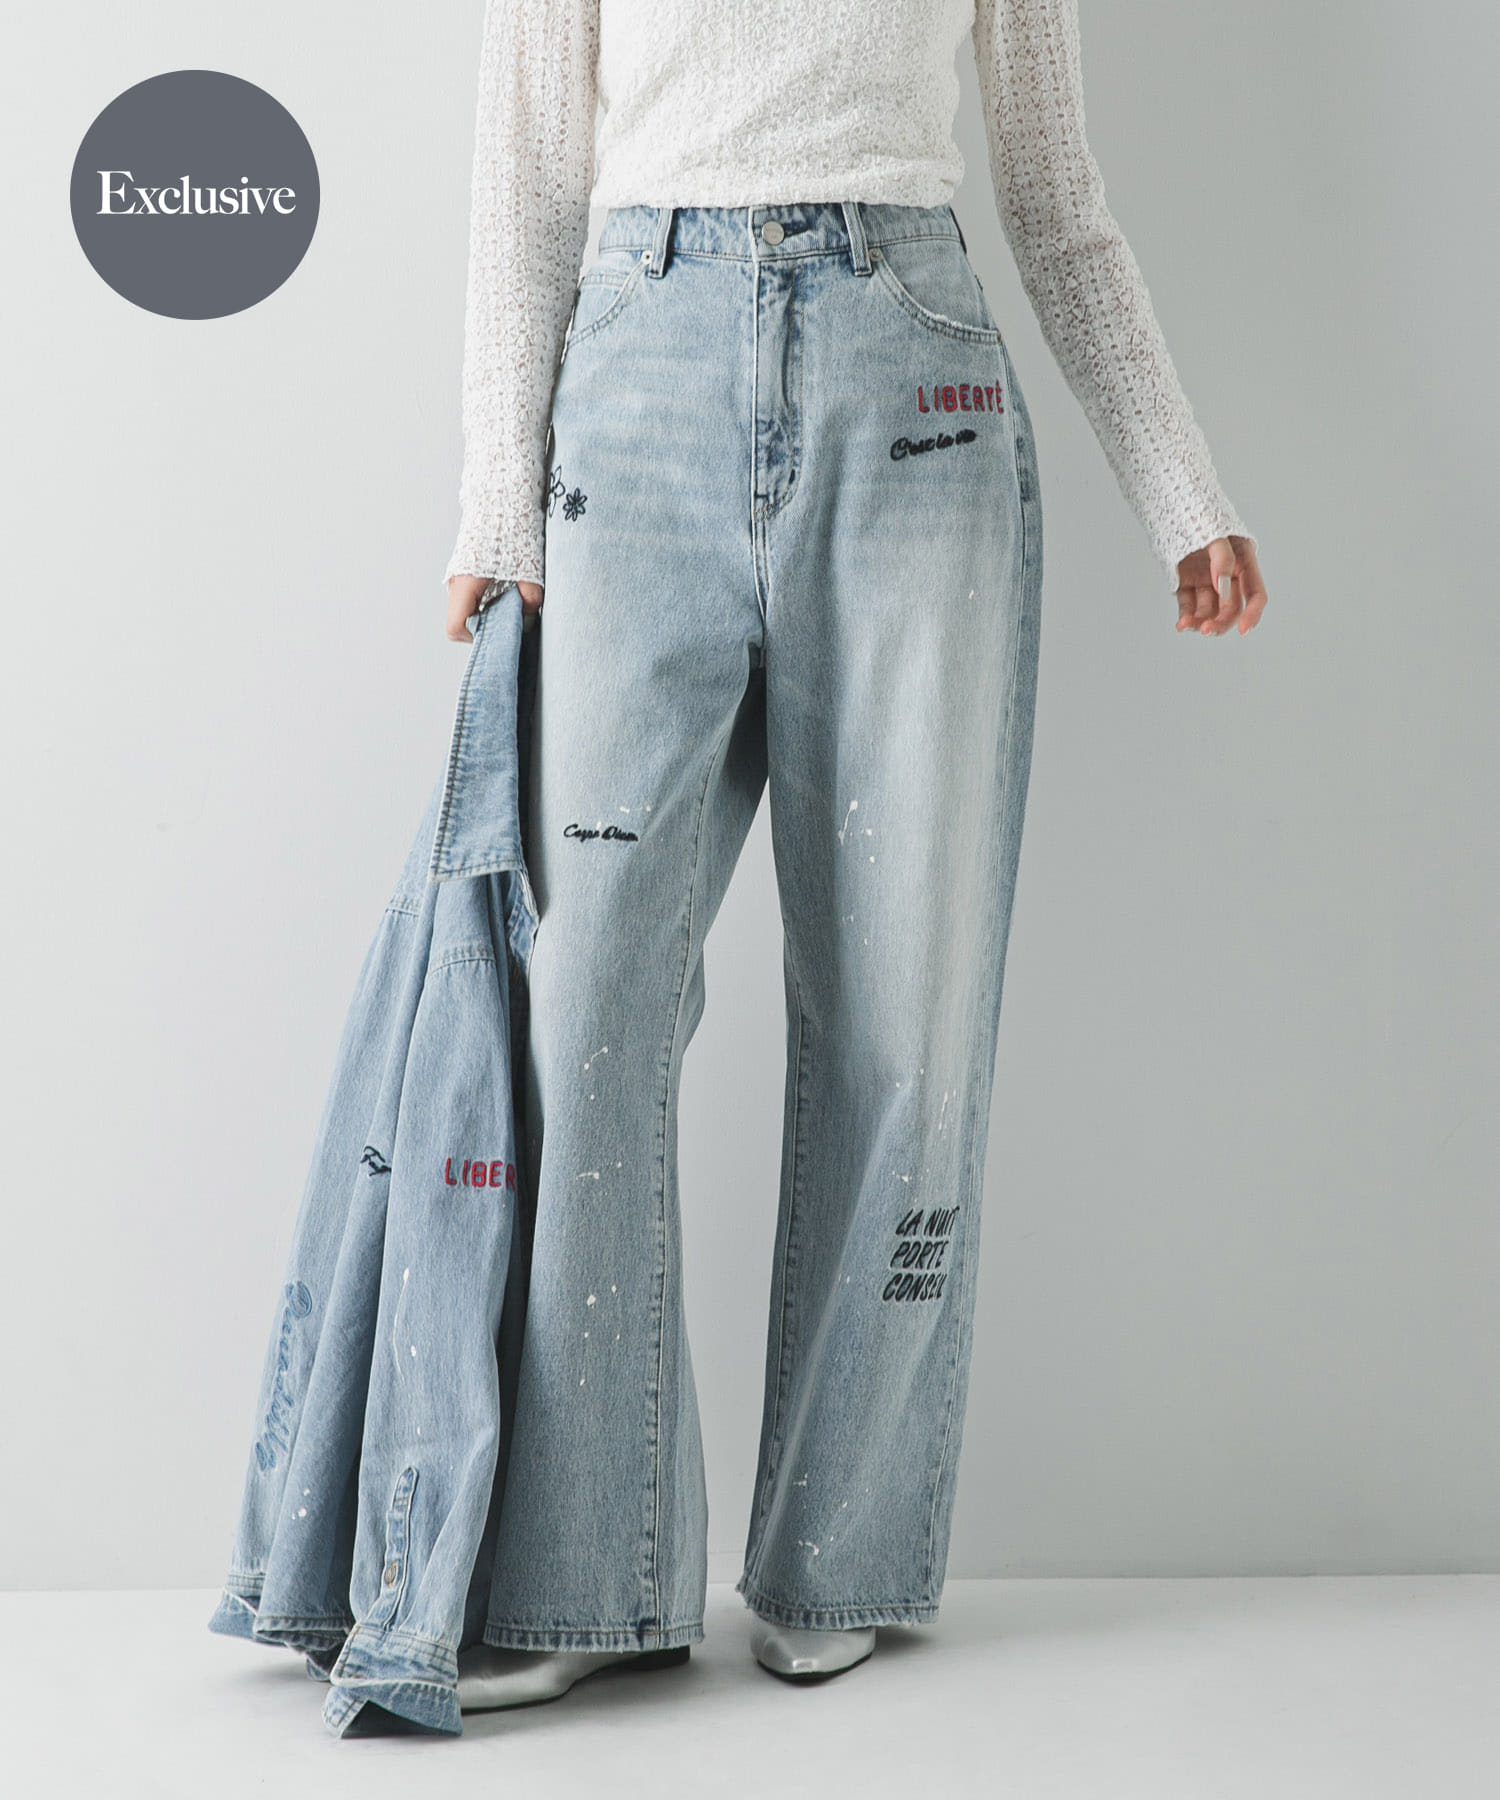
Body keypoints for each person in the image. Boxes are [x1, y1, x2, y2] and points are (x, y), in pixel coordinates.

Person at [442, 0, 1267, 1710]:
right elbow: (526, 179)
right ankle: (581, 1571)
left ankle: (842, 1554)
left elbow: (1057, 199)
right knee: (581, 997)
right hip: (637, 388)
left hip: (920, 393)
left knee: (909, 1013)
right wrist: (494, 503)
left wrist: (1183, 490)